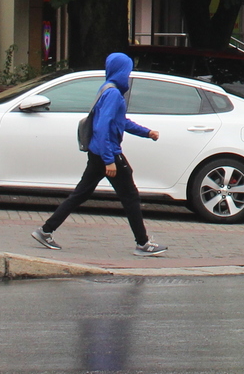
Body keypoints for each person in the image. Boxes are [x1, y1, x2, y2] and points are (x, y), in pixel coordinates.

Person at [32, 53, 168, 256]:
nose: (129, 75)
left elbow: (119, 121)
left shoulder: (106, 89)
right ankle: (143, 243)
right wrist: (109, 160)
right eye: (128, 71)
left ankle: (45, 230)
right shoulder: (113, 94)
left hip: (98, 153)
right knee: (130, 196)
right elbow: (103, 127)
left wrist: (146, 132)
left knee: (81, 194)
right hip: (108, 153)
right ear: (121, 71)